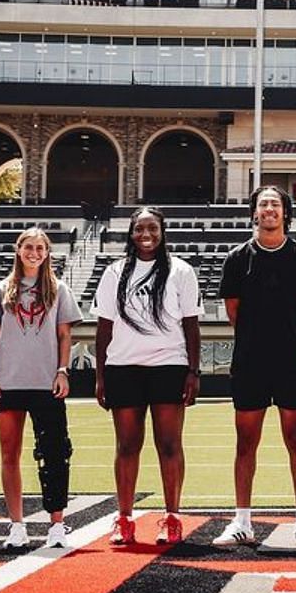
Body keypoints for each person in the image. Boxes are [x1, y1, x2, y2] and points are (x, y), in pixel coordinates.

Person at [213, 186, 296, 548]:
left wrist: (289, 342)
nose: (270, 210)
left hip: (292, 359)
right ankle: (242, 520)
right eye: (263, 205)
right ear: (254, 213)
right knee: (246, 441)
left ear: (285, 213)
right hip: (250, 361)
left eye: (276, 204)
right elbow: (234, 312)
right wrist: (257, 340)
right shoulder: (236, 258)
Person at [94, 206, 203, 547]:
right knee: (127, 445)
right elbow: (103, 327)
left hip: (169, 365)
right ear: (130, 233)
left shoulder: (181, 272)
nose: (146, 234)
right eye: (140, 228)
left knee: (169, 445)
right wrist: (100, 376)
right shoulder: (114, 272)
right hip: (123, 368)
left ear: (162, 231)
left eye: (152, 228)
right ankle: (124, 519)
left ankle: (172, 518)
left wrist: (193, 371)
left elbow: (191, 324)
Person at [0, 227, 80, 550]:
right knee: (10, 454)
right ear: (18, 250)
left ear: (47, 252)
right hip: (8, 383)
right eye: (29, 247)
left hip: (46, 383)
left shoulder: (59, 290)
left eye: (40, 248)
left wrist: (63, 370)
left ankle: (57, 525)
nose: (34, 253)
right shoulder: (1, 290)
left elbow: (65, 336)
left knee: (55, 454)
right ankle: (17, 526)